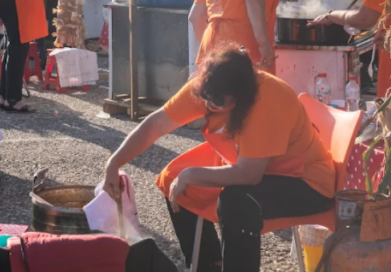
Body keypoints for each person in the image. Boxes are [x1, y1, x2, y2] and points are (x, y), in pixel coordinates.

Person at [103, 45, 335, 272]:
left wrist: (192, 174)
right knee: (172, 177)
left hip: (304, 180)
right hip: (250, 163)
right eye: (205, 97)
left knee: (237, 202)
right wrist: (114, 163)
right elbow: (156, 124)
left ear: (240, 98)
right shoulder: (211, 86)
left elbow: (250, 175)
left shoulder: (268, 98)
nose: (209, 105)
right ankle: (209, 264)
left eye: (218, 103)